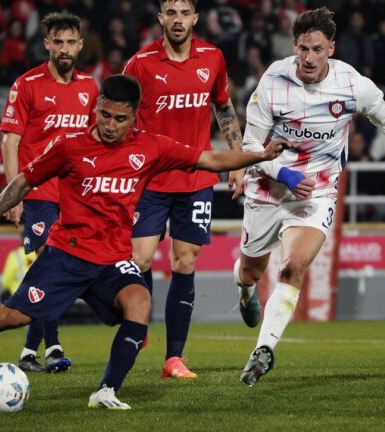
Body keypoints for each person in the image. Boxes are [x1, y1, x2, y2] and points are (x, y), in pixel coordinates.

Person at [0, 75, 287, 409]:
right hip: (65, 255)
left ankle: (106, 390)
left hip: (112, 259)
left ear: (134, 116)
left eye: (119, 118)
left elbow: (210, 160)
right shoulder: (70, 147)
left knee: (139, 302)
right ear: (96, 107)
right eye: (104, 115)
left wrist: (258, 155)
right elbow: (22, 182)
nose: (110, 124)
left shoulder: (150, 147)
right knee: (11, 317)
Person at [233, 8, 385, 386]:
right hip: (270, 186)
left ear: (331, 49)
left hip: (317, 190)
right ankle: (245, 293)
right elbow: (251, 144)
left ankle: (264, 350)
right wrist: (285, 173)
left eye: (317, 49)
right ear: (294, 46)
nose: (308, 57)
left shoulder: (352, 84)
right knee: (249, 271)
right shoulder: (273, 79)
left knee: (292, 267)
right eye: (303, 48)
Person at [122, 0, 245, 379]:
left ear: (195, 18)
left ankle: (174, 358)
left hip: (195, 178)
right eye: (170, 13)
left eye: (184, 13)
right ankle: (137, 323)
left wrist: (237, 161)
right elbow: (117, 115)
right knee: (139, 259)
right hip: (151, 179)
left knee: (184, 261)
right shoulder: (140, 64)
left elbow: (223, 109)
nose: (177, 20)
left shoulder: (213, 57)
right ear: (161, 18)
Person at [0, 12, 99, 373]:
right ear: (47, 44)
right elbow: (10, 142)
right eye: (58, 41)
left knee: (53, 271)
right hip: (38, 193)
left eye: (71, 41)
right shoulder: (26, 84)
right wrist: (16, 196)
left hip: (74, 196)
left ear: (80, 44)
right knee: (49, 266)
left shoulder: (89, 88)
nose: (65, 48)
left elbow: (94, 145)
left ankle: (31, 351)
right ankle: (52, 347)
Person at [0, 236, 36, 303]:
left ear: (22, 239)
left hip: (17, 296)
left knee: (3, 297)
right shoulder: (39, 254)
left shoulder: (15, 255)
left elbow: (5, 281)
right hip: (35, 296)